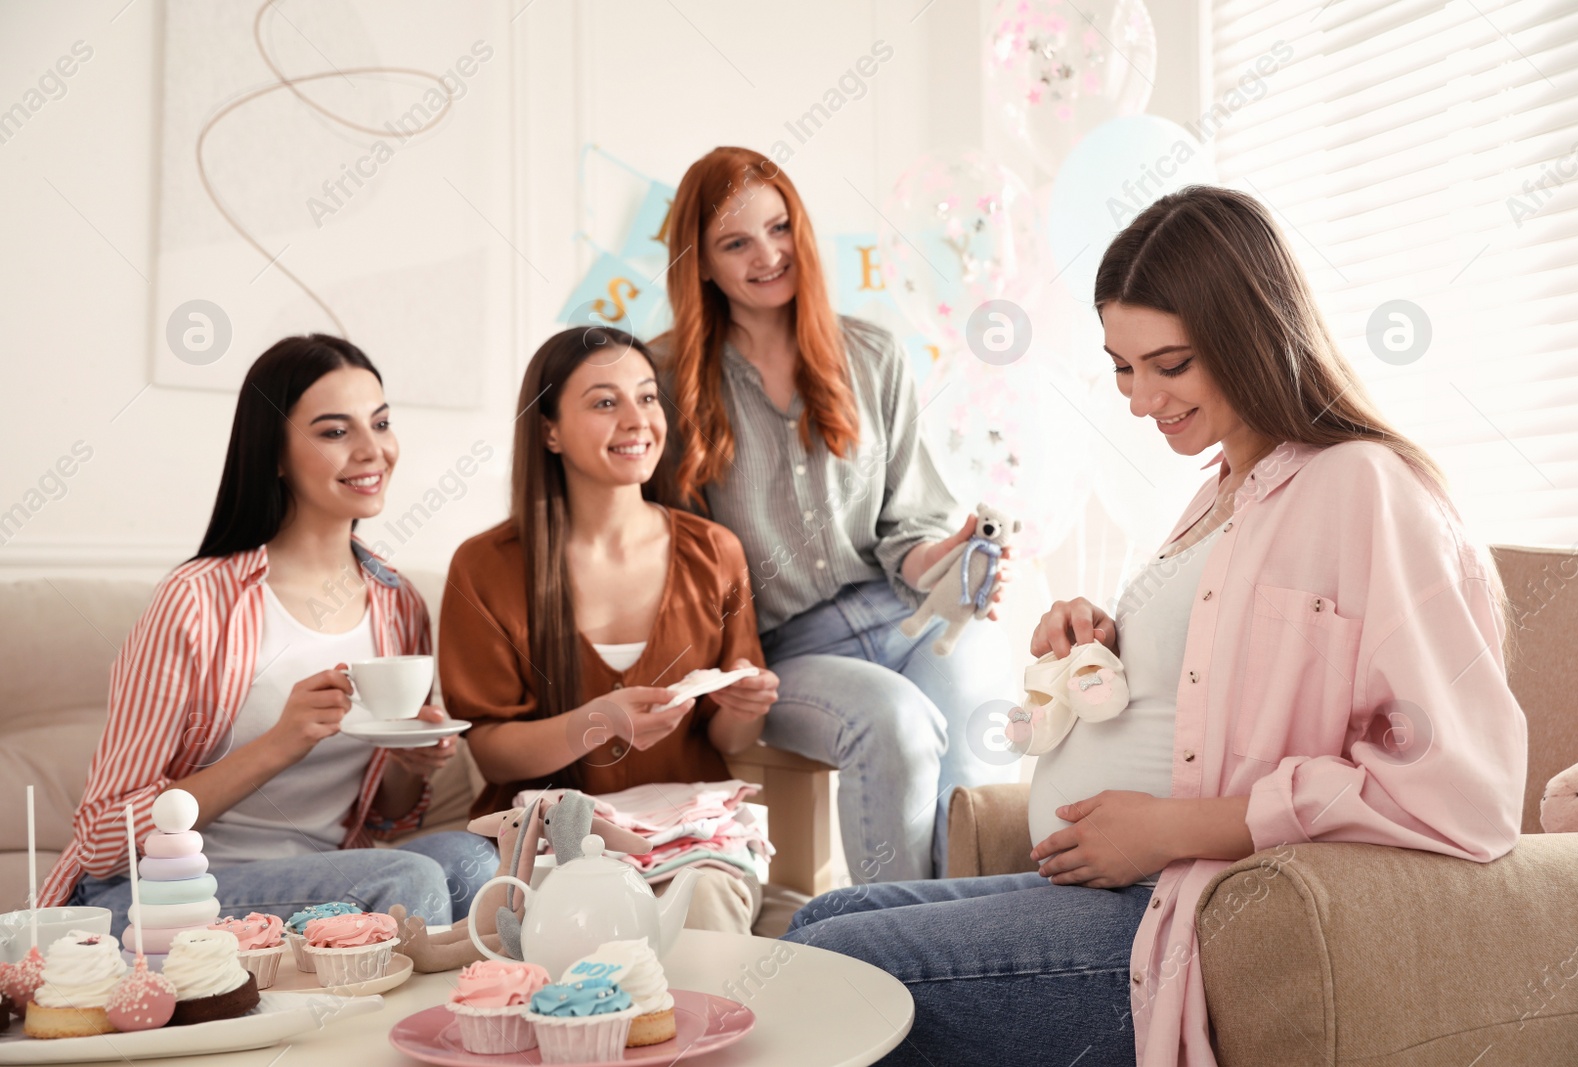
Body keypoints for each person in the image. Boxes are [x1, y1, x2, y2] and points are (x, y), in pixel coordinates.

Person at [780, 186, 1528, 1067]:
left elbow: (1458, 787)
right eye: (1123, 367)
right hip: (1130, 883)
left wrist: (1173, 830)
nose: (1141, 401)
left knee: (830, 968)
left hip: (1176, 910)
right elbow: (1219, 690)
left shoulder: (1361, 485)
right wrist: (1104, 643)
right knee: (820, 917)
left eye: (1170, 365)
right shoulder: (1219, 489)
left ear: (1252, 334)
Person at [41, 334, 499, 932]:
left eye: (380, 423)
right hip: (163, 892)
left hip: (325, 876)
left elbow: (384, 825)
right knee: (407, 881)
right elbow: (104, 838)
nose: (373, 450)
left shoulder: (397, 603)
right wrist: (282, 741)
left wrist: (409, 764)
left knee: (475, 862)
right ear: (276, 454)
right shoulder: (197, 601)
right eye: (335, 432)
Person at [654, 145, 1018, 883]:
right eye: (736, 242)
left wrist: (947, 557)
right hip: (786, 652)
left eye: (779, 227)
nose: (768, 255)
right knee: (896, 723)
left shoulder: (872, 355)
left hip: (908, 617)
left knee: (982, 730)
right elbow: (676, 557)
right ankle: (902, 952)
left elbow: (905, 530)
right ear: (702, 264)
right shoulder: (665, 380)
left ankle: (974, 938)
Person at [437, 326, 779, 933]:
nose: (637, 419)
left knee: (701, 905)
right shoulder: (485, 564)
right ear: (549, 431)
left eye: (648, 397)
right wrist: (597, 722)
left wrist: (746, 703)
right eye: (604, 402)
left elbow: (731, 741)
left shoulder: (715, 550)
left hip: (683, 841)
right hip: (547, 845)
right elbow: (491, 753)